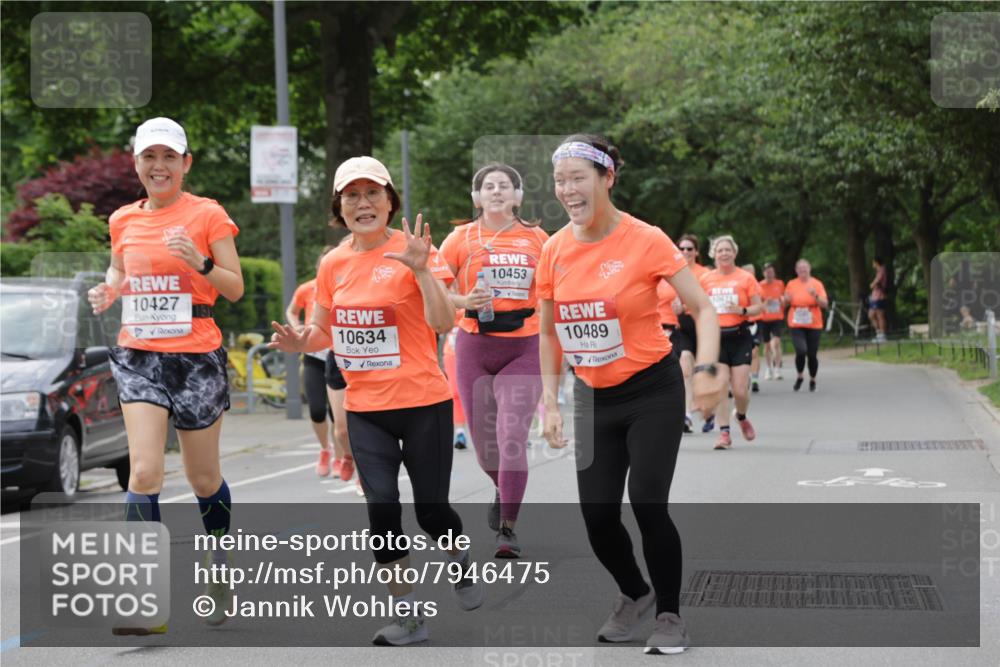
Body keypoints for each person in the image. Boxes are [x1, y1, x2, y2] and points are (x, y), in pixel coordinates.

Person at [268, 156, 484, 646]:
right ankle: (409, 618)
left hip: (423, 402)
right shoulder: (333, 263)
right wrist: (303, 341)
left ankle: (459, 557)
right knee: (382, 511)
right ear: (339, 207)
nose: (362, 203)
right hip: (366, 410)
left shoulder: (412, 251)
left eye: (372, 194)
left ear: (390, 201)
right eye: (351, 196)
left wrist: (422, 269)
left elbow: (442, 323)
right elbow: (323, 328)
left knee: (431, 513)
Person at [537, 134, 722, 655]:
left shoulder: (647, 239)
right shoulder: (553, 249)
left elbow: (702, 309)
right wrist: (549, 402)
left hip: (651, 390)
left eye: (578, 178)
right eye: (560, 181)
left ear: (607, 178)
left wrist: (706, 368)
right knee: (597, 516)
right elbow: (549, 332)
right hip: (593, 396)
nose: (568, 189)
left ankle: (669, 614)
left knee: (645, 500)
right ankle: (635, 593)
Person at [87, 117, 243, 632]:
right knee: (145, 472)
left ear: (185, 163)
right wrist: (109, 289)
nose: (159, 166)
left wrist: (198, 261)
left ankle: (220, 568)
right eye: (149, 157)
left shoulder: (207, 214)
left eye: (168, 157)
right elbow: (118, 269)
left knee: (203, 478)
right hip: (138, 355)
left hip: (196, 357)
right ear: (135, 162)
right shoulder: (122, 220)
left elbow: (235, 288)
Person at [439, 162, 548, 559]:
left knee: (511, 437)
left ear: (518, 196)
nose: (497, 191)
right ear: (477, 197)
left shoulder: (537, 239)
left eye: (505, 186)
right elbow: (435, 288)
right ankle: (503, 486)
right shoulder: (460, 238)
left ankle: (507, 529)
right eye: (489, 186)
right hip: (474, 345)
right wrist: (462, 300)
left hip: (524, 346)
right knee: (487, 450)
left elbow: (552, 294)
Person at [286, 247, 352, 478]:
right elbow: (291, 311)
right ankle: (325, 448)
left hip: (338, 354)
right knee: (315, 409)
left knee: (338, 416)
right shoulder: (307, 289)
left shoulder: (347, 285)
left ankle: (342, 456)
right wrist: (296, 327)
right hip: (314, 356)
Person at [701, 238, 763, 450]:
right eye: (720, 250)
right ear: (714, 254)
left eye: (728, 250)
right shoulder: (706, 279)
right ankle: (724, 434)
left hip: (739, 336)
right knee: (720, 386)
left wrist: (743, 310)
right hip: (716, 338)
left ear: (735, 253)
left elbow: (759, 307)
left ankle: (742, 416)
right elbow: (697, 305)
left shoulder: (745, 278)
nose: (724, 253)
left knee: (739, 390)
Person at [672, 233, 712, 433]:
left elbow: (706, 300)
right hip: (684, 324)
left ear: (696, 252)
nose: (685, 252)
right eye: (682, 248)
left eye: (689, 248)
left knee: (704, 372)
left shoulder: (705, 273)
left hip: (703, 324)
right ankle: (686, 415)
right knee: (686, 367)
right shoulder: (674, 272)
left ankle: (709, 411)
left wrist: (686, 302)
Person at [783, 258, 829, 392]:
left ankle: (813, 379)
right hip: (796, 322)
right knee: (801, 351)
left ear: (810, 269)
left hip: (814, 323)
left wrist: (815, 295)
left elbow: (825, 304)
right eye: (800, 268)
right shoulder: (791, 284)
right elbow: (784, 302)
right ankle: (800, 375)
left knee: (812, 354)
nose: (803, 270)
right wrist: (786, 300)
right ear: (796, 270)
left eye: (805, 268)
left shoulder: (817, 284)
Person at [441, 321, 469, 450]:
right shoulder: (449, 299)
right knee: (455, 393)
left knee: (480, 391)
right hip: (452, 352)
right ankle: (460, 433)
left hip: (474, 351)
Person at [758, 262, 786, 380]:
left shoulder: (779, 284)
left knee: (776, 343)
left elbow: (784, 299)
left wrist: (782, 300)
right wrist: (765, 303)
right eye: (766, 272)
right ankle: (768, 369)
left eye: (771, 271)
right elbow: (756, 303)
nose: (769, 274)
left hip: (777, 317)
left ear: (774, 273)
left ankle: (777, 369)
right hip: (764, 318)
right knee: (767, 345)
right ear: (763, 273)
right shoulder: (759, 285)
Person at [741, 263, 762, 393]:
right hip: (740, 324)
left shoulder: (758, 287)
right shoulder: (738, 284)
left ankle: (754, 379)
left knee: (754, 352)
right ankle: (742, 378)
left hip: (754, 323)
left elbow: (762, 304)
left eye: (751, 273)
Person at [868, 257, 888, 342]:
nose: (873, 264)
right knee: (871, 315)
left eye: (873, 262)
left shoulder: (881, 270)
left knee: (880, 315)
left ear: (876, 263)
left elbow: (875, 283)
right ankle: (878, 333)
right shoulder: (879, 272)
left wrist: (873, 284)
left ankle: (882, 335)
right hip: (874, 296)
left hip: (879, 296)